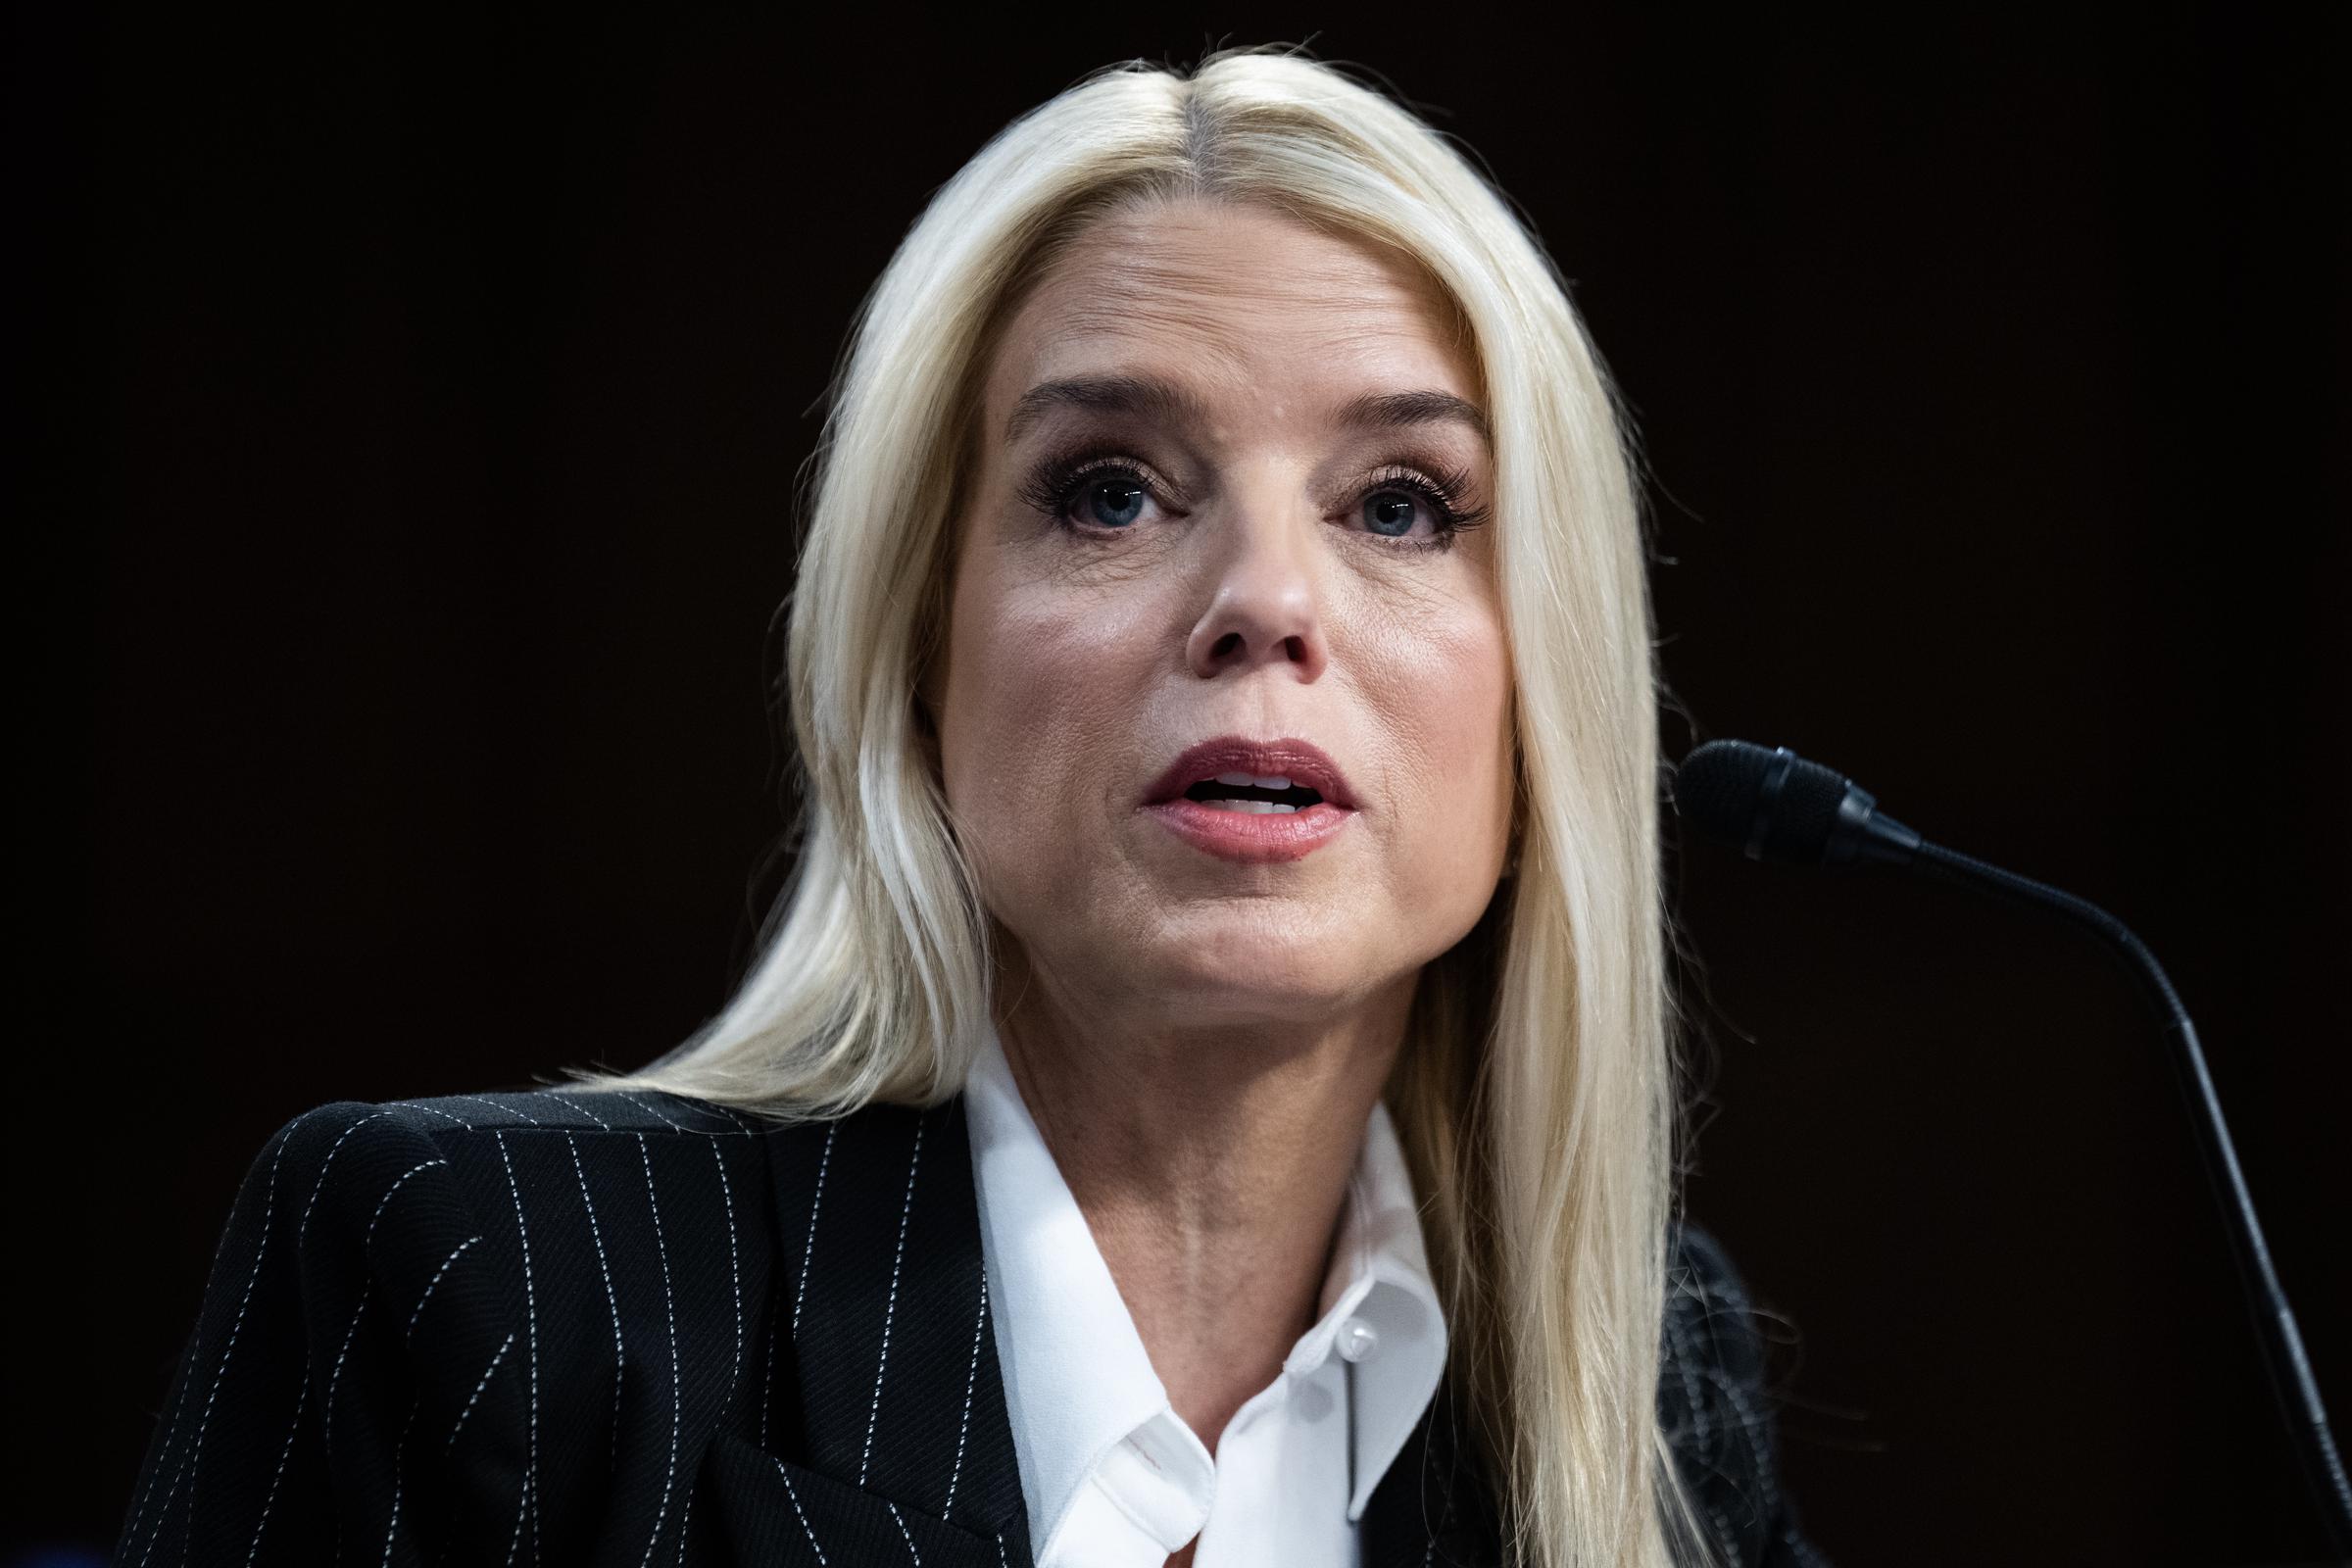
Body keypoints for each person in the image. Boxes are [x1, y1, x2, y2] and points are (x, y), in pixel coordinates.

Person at [114, 46, 1826, 1568]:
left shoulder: (1638, 1383)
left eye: (1400, 504)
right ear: (916, 649)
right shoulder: (494, 1295)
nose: (1267, 601)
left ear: (1547, 696)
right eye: (1110, 491)